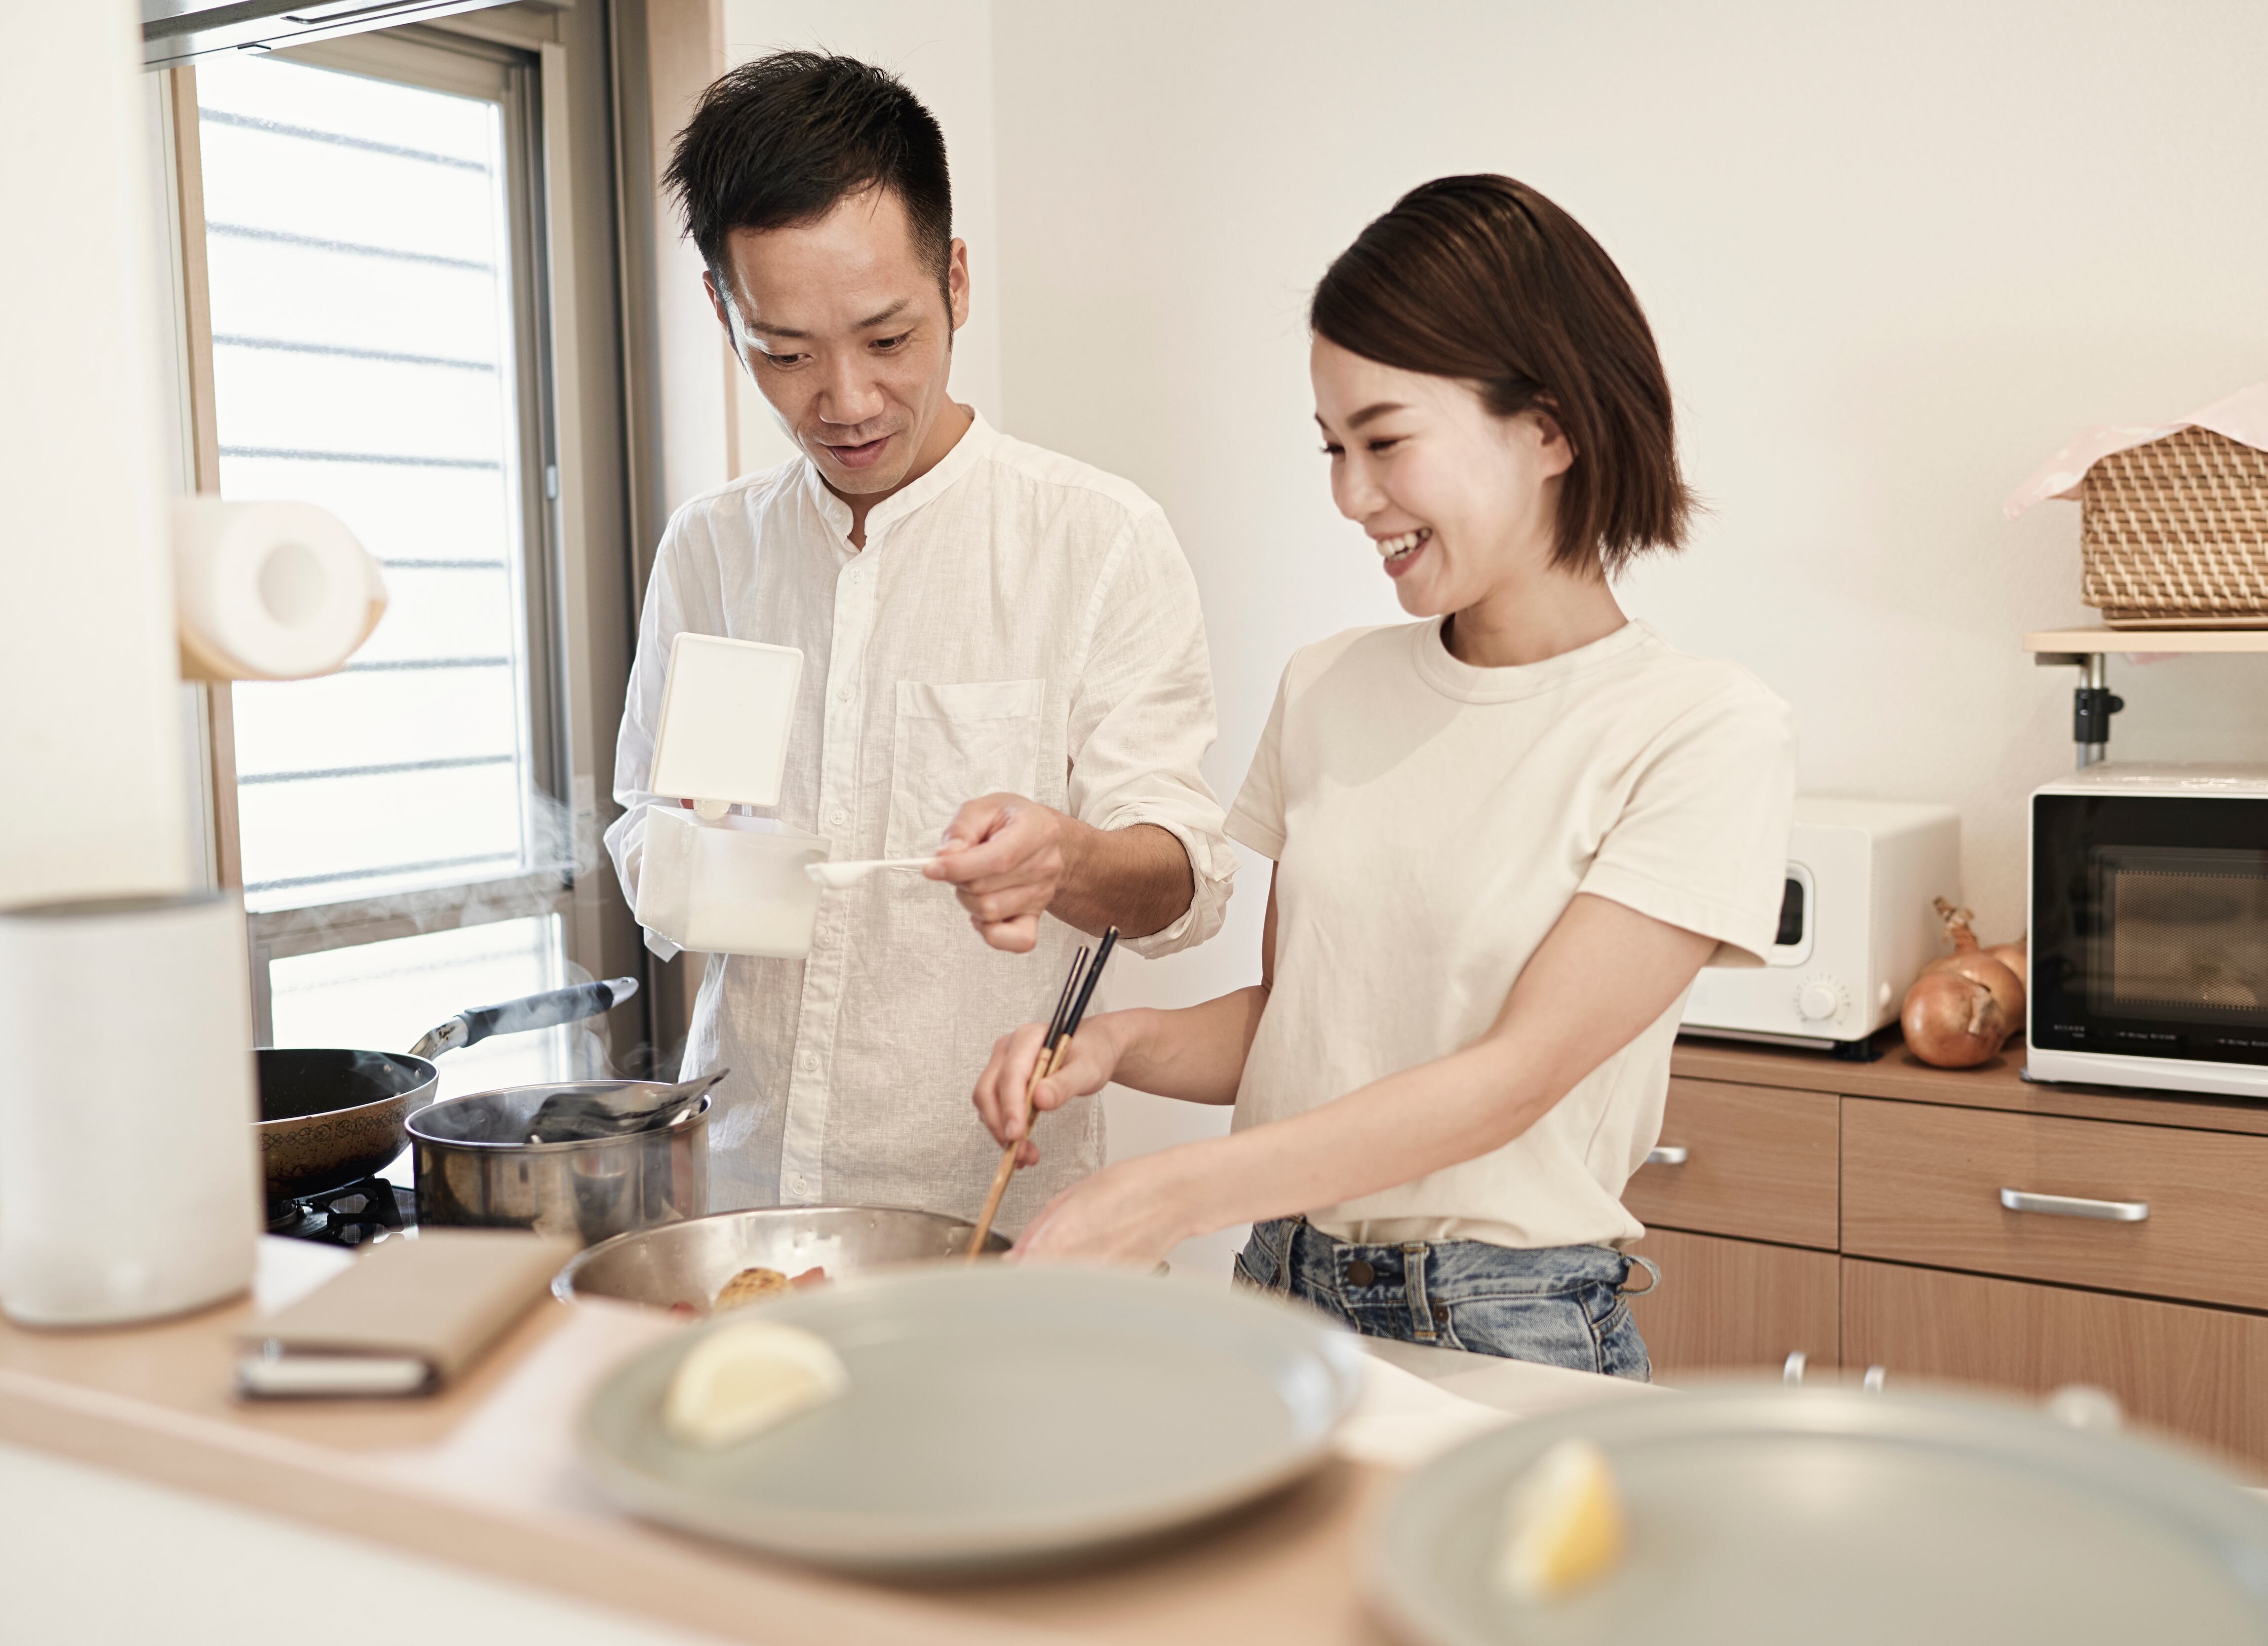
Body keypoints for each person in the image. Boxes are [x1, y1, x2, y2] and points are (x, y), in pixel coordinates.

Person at [970, 176, 1796, 1378]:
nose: (1354, 498)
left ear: (1551, 428)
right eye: (1333, 450)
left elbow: (1507, 1081)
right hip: (1277, 1294)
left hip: (1505, 1323)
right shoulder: (1328, 687)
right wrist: (1117, 1042)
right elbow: (1303, 1024)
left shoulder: (1700, 730)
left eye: (1386, 440)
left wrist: (1155, 1200)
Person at [606, 54, 1233, 1226]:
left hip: (991, 1206)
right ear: (719, 309)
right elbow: (650, 837)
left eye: (886, 338)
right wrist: (707, 859)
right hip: (744, 1192)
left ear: (953, 279)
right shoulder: (710, 550)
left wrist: (1068, 861)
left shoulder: (1094, 538)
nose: (843, 400)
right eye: (783, 353)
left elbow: (1183, 882)